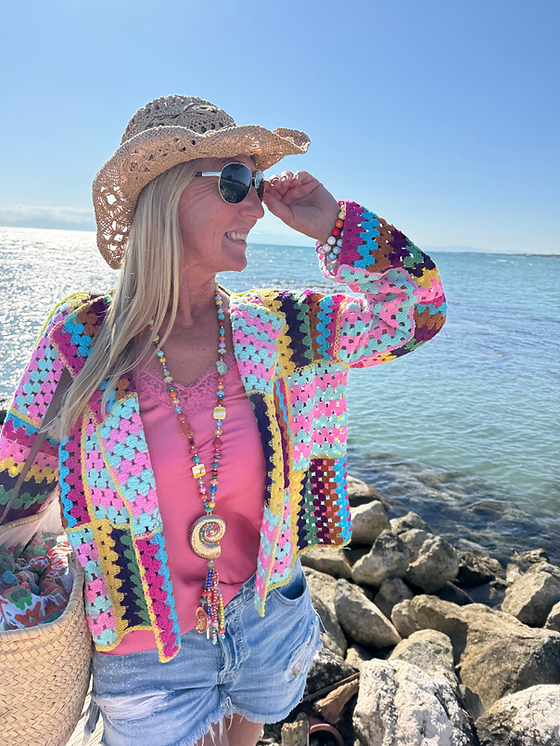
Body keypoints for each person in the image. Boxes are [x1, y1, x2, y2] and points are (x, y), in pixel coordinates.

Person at [0, 95, 447, 746]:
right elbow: (13, 483)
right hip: (143, 642)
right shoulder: (82, 339)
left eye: (258, 184)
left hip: (269, 613)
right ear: (162, 195)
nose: (257, 206)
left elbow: (416, 312)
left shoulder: (275, 328)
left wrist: (334, 226)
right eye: (235, 181)